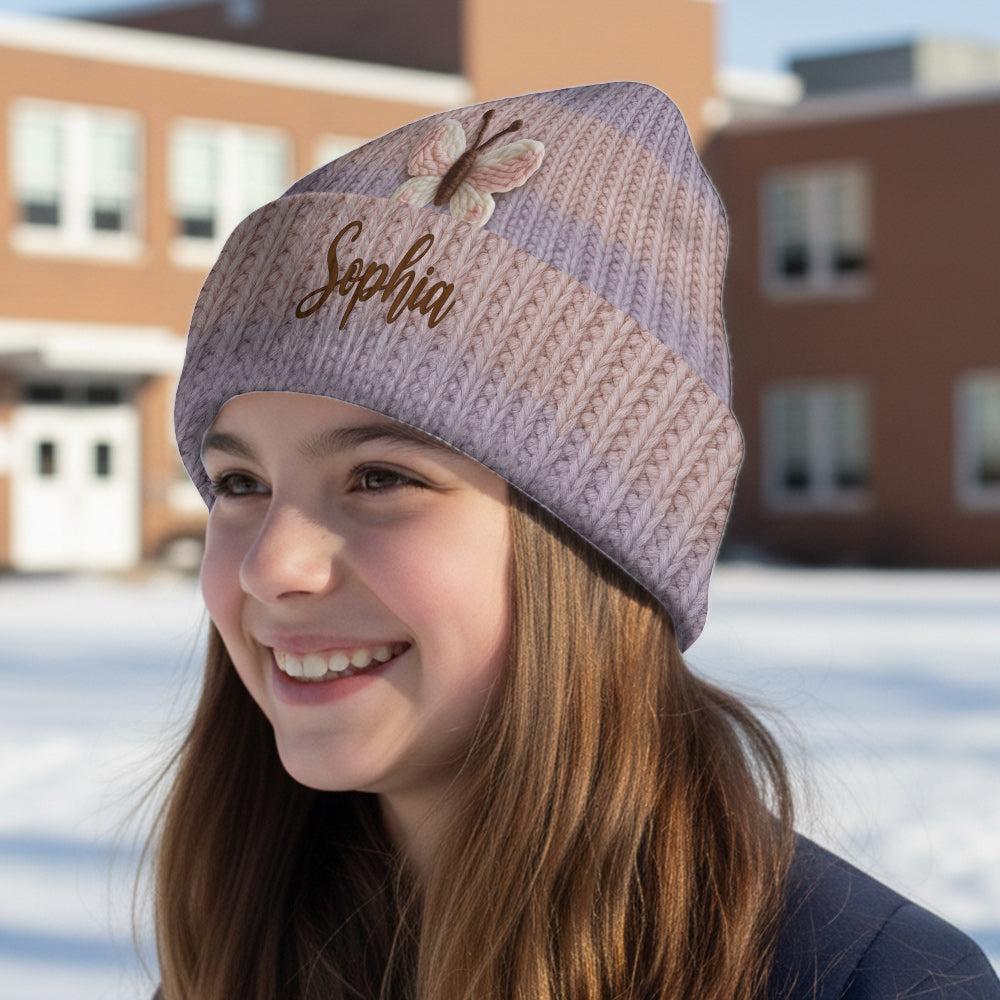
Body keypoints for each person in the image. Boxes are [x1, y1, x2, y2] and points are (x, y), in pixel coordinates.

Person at [159, 81, 999, 999]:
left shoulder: (876, 985)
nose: (272, 565)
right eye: (240, 484)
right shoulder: (245, 947)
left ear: (596, 548)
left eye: (382, 478)